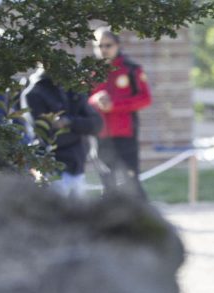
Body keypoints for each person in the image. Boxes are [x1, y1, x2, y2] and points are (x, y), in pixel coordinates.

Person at [21, 64, 103, 198]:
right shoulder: (33, 93)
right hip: (51, 166)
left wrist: (69, 122)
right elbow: (46, 135)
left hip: (77, 164)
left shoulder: (73, 90)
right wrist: (79, 128)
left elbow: (97, 124)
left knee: (79, 215)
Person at [89, 28, 153, 198]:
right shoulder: (89, 72)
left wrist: (114, 105)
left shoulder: (132, 70)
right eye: (98, 45)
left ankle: (144, 218)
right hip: (100, 134)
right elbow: (81, 100)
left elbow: (145, 99)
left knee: (131, 181)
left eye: (108, 45)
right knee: (107, 183)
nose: (103, 50)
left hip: (125, 133)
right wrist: (95, 100)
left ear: (117, 45)